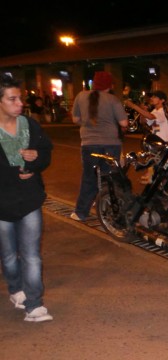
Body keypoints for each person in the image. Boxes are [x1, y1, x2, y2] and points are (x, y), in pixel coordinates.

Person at [0, 74, 54, 322]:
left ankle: (35, 305)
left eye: (19, 98)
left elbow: (45, 152)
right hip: (2, 204)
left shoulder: (30, 124)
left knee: (32, 255)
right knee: (9, 257)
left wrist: (35, 160)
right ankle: (15, 288)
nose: (19, 102)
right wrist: (12, 175)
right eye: (13, 99)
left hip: (30, 199)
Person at [70, 71, 129, 221]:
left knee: (89, 178)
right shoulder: (113, 99)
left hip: (89, 143)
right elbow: (124, 123)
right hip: (111, 144)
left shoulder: (80, 96)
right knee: (111, 177)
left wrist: (87, 123)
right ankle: (113, 211)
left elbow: (75, 119)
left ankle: (80, 213)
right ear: (110, 85)